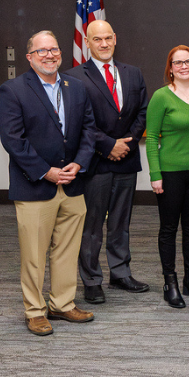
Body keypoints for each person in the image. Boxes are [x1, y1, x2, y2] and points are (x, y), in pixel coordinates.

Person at [0, 30, 96, 336]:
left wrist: (79, 163)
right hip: (35, 186)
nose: (49, 55)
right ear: (29, 57)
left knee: (67, 249)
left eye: (53, 50)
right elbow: (13, 140)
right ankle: (35, 310)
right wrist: (46, 171)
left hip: (73, 184)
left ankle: (62, 304)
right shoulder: (13, 90)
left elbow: (89, 130)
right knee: (34, 254)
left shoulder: (76, 87)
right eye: (41, 51)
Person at [66, 20, 150, 304]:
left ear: (115, 39)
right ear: (86, 43)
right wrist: (108, 146)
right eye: (96, 39)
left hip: (126, 160)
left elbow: (142, 112)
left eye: (107, 38)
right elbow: (77, 122)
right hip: (95, 162)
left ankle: (120, 272)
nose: (103, 44)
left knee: (120, 222)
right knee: (91, 225)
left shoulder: (133, 73)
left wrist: (126, 143)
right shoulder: (74, 77)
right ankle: (91, 279)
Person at [145, 45, 189, 308]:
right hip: (170, 172)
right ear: (170, 68)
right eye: (178, 63)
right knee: (168, 229)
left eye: (188, 61)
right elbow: (152, 137)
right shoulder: (161, 97)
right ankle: (170, 282)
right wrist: (155, 174)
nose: (184, 66)